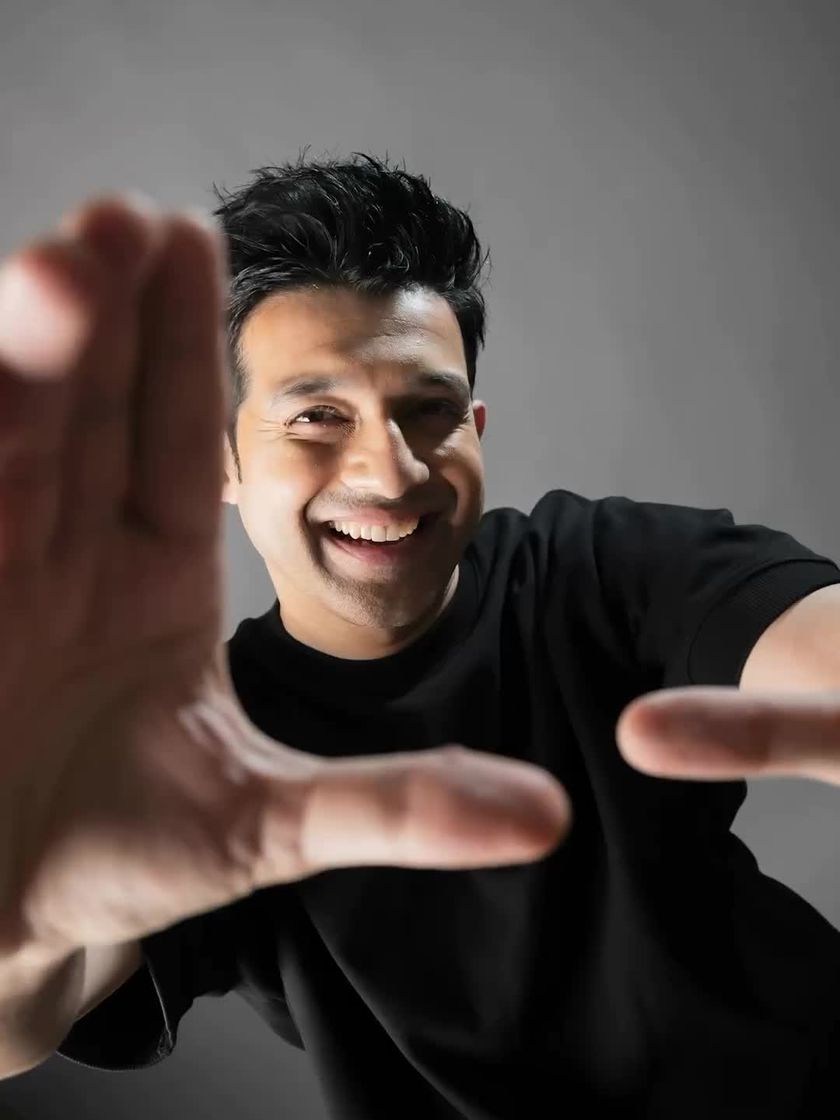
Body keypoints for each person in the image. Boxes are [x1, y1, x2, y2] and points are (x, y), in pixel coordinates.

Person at [0, 153, 838, 1119]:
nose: (390, 473)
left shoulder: (609, 568)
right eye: (318, 416)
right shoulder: (199, 748)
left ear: (475, 426)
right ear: (217, 461)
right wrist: (35, 918)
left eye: (429, 411)